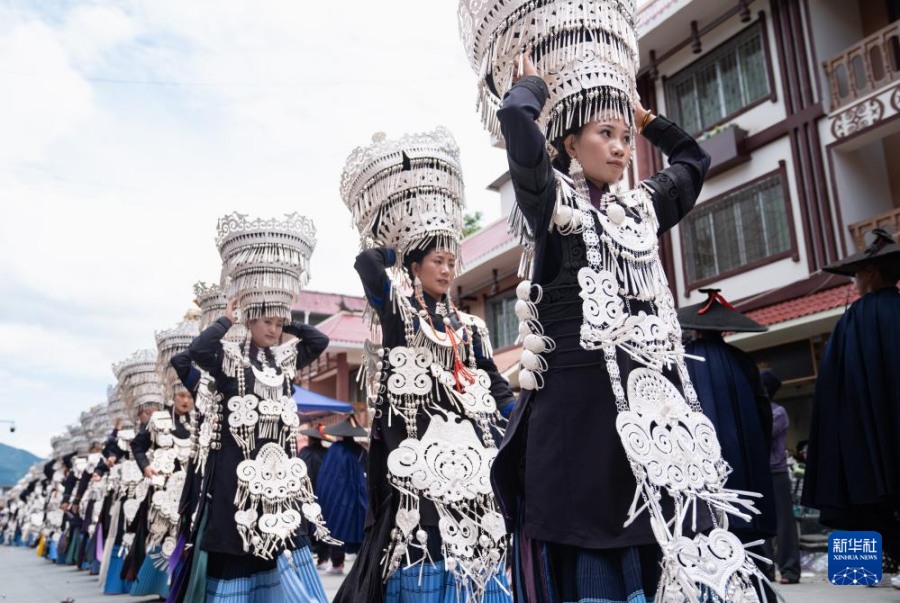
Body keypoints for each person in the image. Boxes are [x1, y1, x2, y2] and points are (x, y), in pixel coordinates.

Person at [488, 40, 773, 597]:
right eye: (606, 134)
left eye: (626, 138)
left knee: (659, 535)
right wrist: (532, 89)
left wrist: (650, 121)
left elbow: (694, 161)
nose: (621, 149)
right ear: (570, 142)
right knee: (595, 542)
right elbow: (517, 130)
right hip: (578, 414)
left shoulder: (640, 208)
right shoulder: (552, 205)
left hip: (647, 412)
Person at [335, 128, 515, 602]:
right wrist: (404, 248)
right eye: (437, 259)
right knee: (426, 539)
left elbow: (496, 386)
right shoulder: (399, 314)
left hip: (474, 457)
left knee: (486, 536)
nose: (448, 269)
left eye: (452, 261)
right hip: (417, 454)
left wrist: (519, 416)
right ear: (417, 265)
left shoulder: (471, 326)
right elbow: (366, 264)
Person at [180, 211, 332, 603]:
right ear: (248, 321)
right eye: (265, 321)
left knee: (283, 543)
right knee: (240, 548)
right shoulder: (230, 360)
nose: (273, 329)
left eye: (277, 323)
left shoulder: (281, 362)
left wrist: (287, 319)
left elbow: (317, 343)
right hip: (237, 475)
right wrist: (226, 319)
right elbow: (196, 352)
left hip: (280, 477)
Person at [802, 228, 900, 583]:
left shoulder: (855, 322)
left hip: (874, 463)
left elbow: (838, 396)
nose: (856, 282)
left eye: (858, 275)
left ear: (872, 274)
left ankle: (865, 571)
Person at [678, 289, 777, 547]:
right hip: (742, 464)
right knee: (743, 534)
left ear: (694, 330)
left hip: (698, 467)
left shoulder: (682, 360)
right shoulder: (742, 361)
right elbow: (764, 415)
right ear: (723, 331)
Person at [759, 369, 801, 585]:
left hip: (777, 473)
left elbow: (761, 434)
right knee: (762, 522)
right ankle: (765, 569)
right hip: (761, 473)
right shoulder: (759, 411)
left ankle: (790, 570)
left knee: (784, 524)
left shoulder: (778, 413)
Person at [315, 416, 368, 575]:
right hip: (358, 495)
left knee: (335, 526)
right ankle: (363, 562)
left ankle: (338, 563)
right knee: (359, 526)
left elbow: (326, 475)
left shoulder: (335, 450)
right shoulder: (361, 450)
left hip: (337, 496)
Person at [297, 423, 331, 569]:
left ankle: (308, 554)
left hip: (306, 494)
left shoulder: (304, 452)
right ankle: (323, 558)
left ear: (310, 439)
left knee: (307, 523)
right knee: (323, 523)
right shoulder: (326, 453)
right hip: (324, 494)